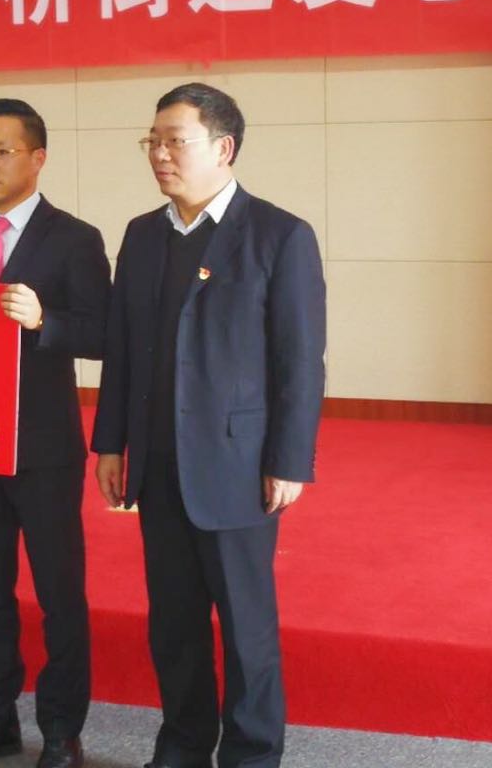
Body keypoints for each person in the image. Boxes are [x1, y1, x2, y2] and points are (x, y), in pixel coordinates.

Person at [92, 83, 325, 768]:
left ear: (223, 148)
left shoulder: (279, 235)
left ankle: (251, 756)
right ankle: (183, 748)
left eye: (176, 141)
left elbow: (299, 360)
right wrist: (110, 443)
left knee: (246, 629)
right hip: (158, 462)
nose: (160, 154)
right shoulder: (143, 235)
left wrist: (289, 459)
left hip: (237, 464)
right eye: (153, 141)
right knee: (174, 625)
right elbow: (123, 348)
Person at [0, 98, 110, 768]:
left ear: (38, 158)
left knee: (59, 593)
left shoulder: (74, 238)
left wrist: (43, 321)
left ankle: (61, 729)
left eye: (2, 152)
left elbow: (103, 332)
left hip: (43, 449)